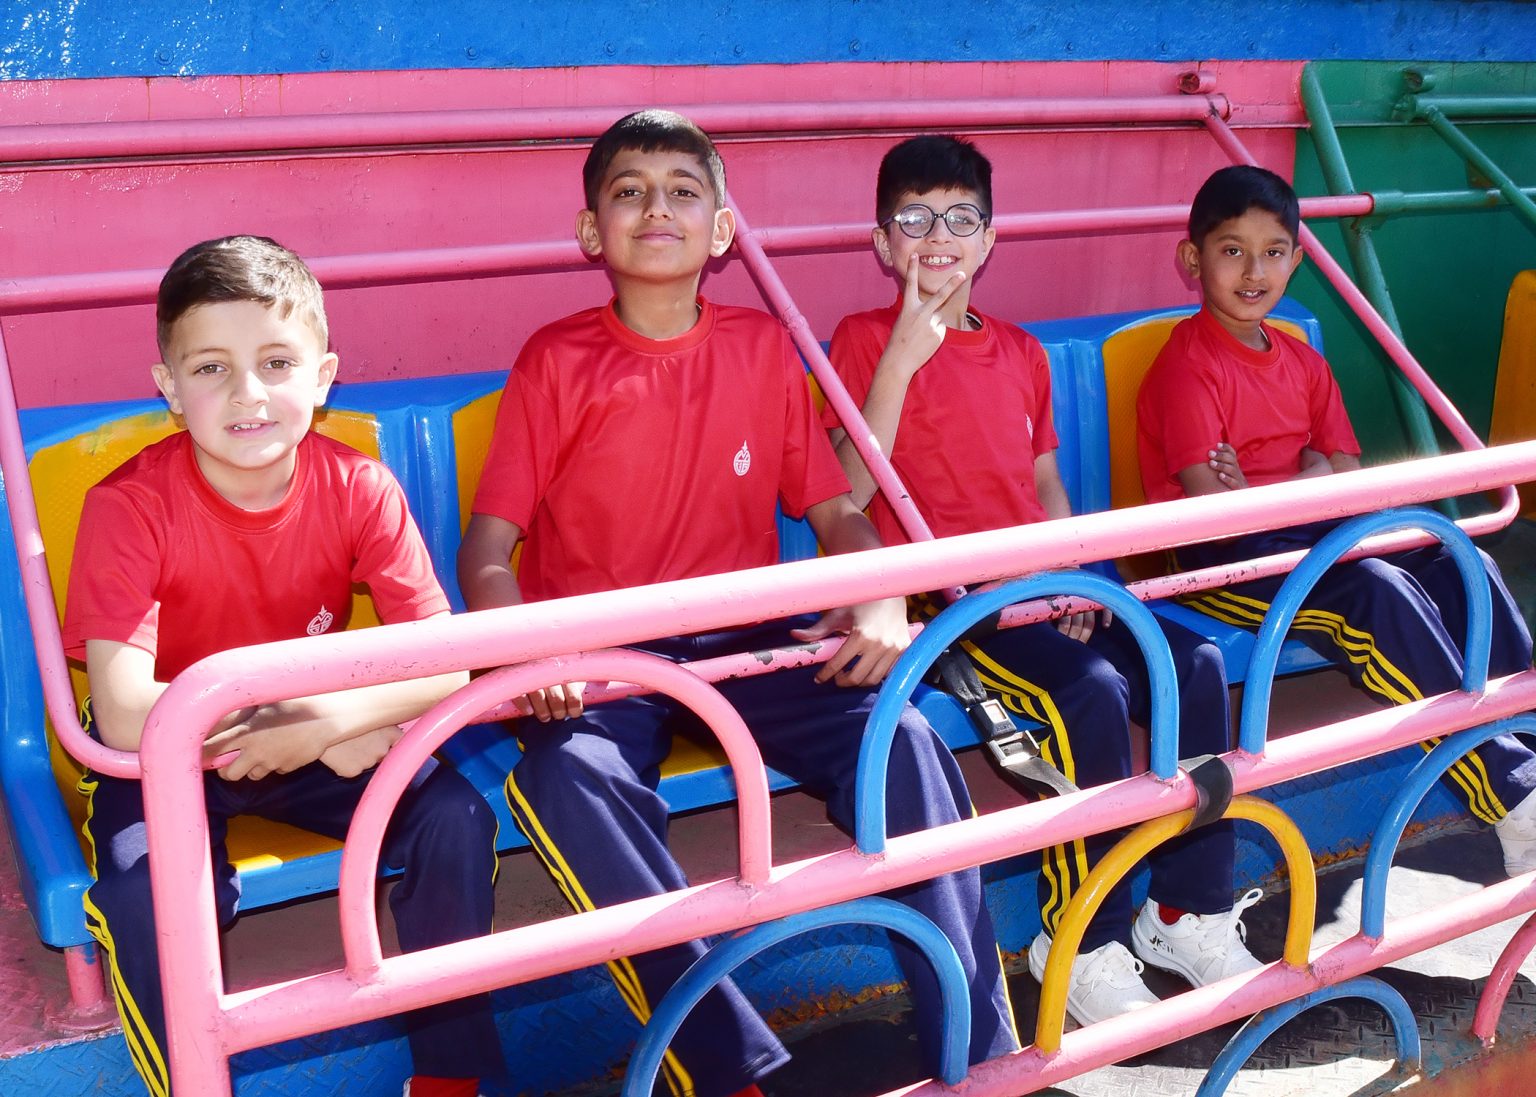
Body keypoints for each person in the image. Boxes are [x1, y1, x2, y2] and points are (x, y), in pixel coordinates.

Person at [456, 110, 1017, 1097]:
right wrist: (528, 654)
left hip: (747, 635)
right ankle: (728, 1068)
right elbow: (487, 551)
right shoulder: (555, 359)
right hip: (602, 653)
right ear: (591, 229)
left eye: (683, 190)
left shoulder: (762, 347)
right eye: (629, 191)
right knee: (567, 778)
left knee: (903, 738)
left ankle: (974, 1049)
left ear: (721, 229)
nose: (656, 208)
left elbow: (836, 510)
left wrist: (882, 594)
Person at [824, 135, 1263, 1029]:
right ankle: (1080, 937)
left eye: (961, 219)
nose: (938, 237)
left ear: (990, 240)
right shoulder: (862, 340)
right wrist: (901, 359)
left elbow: (1046, 485)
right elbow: (849, 491)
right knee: (1090, 693)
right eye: (915, 219)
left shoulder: (1021, 352)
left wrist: (1068, 577)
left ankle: (1184, 911)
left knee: (1197, 664)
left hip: (1046, 579)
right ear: (881, 243)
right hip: (954, 603)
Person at [62, 236, 503, 1097]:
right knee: (151, 894)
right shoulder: (127, 506)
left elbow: (449, 661)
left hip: (305, 728)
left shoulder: (359, 486)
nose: (249, 393)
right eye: (212, 368)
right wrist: (307, 721)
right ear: (169, 387)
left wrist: (333, 720)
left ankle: (452, 1078)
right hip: (170, 752)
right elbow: (124, 712)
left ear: (323, 375)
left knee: (454, 818)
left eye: (275, 362)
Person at [1137, 164, 1536, 877]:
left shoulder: (1301, 361)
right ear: (1192, 260)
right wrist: (1308, 479)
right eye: (1232, 250)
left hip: (1306, 534)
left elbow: (1346, 475)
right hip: (1221, 563)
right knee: (1378, 589)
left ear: (1296, 257)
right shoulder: (1187, 367)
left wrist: (1294, 484)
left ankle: (1528, 748)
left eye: (1273, 251)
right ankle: (1511, 795)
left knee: (1463, 560)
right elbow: (1218, 512)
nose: (1254, 271)